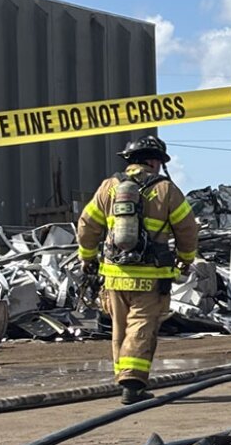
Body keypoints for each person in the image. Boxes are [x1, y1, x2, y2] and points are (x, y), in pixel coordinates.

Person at [76, 136, 198, 405]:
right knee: (141, 326)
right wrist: (185, 258)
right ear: (154, 161)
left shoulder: (109, 187)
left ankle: (124, 377)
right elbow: (187, 229)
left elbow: (86, 225)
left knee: (119, 329)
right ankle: (132, 382)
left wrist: (87, 257)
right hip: (151, 277)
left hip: (114, 276)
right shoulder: (166, 190)